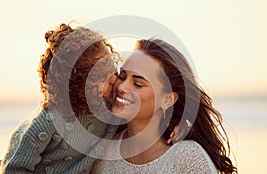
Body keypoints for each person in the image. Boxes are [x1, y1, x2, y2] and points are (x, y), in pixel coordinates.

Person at [92, 38, 238, 173]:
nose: (122, 87)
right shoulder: (102, 152)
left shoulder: (187, 158)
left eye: (138, 84)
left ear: (168, 99)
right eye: (122, 76)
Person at [0, 23, 120, 174]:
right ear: (76, 87)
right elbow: (14, 168)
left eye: (113, 68)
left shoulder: (110, 109)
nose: (113, 79)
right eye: (101, 76)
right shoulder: (50, 120)